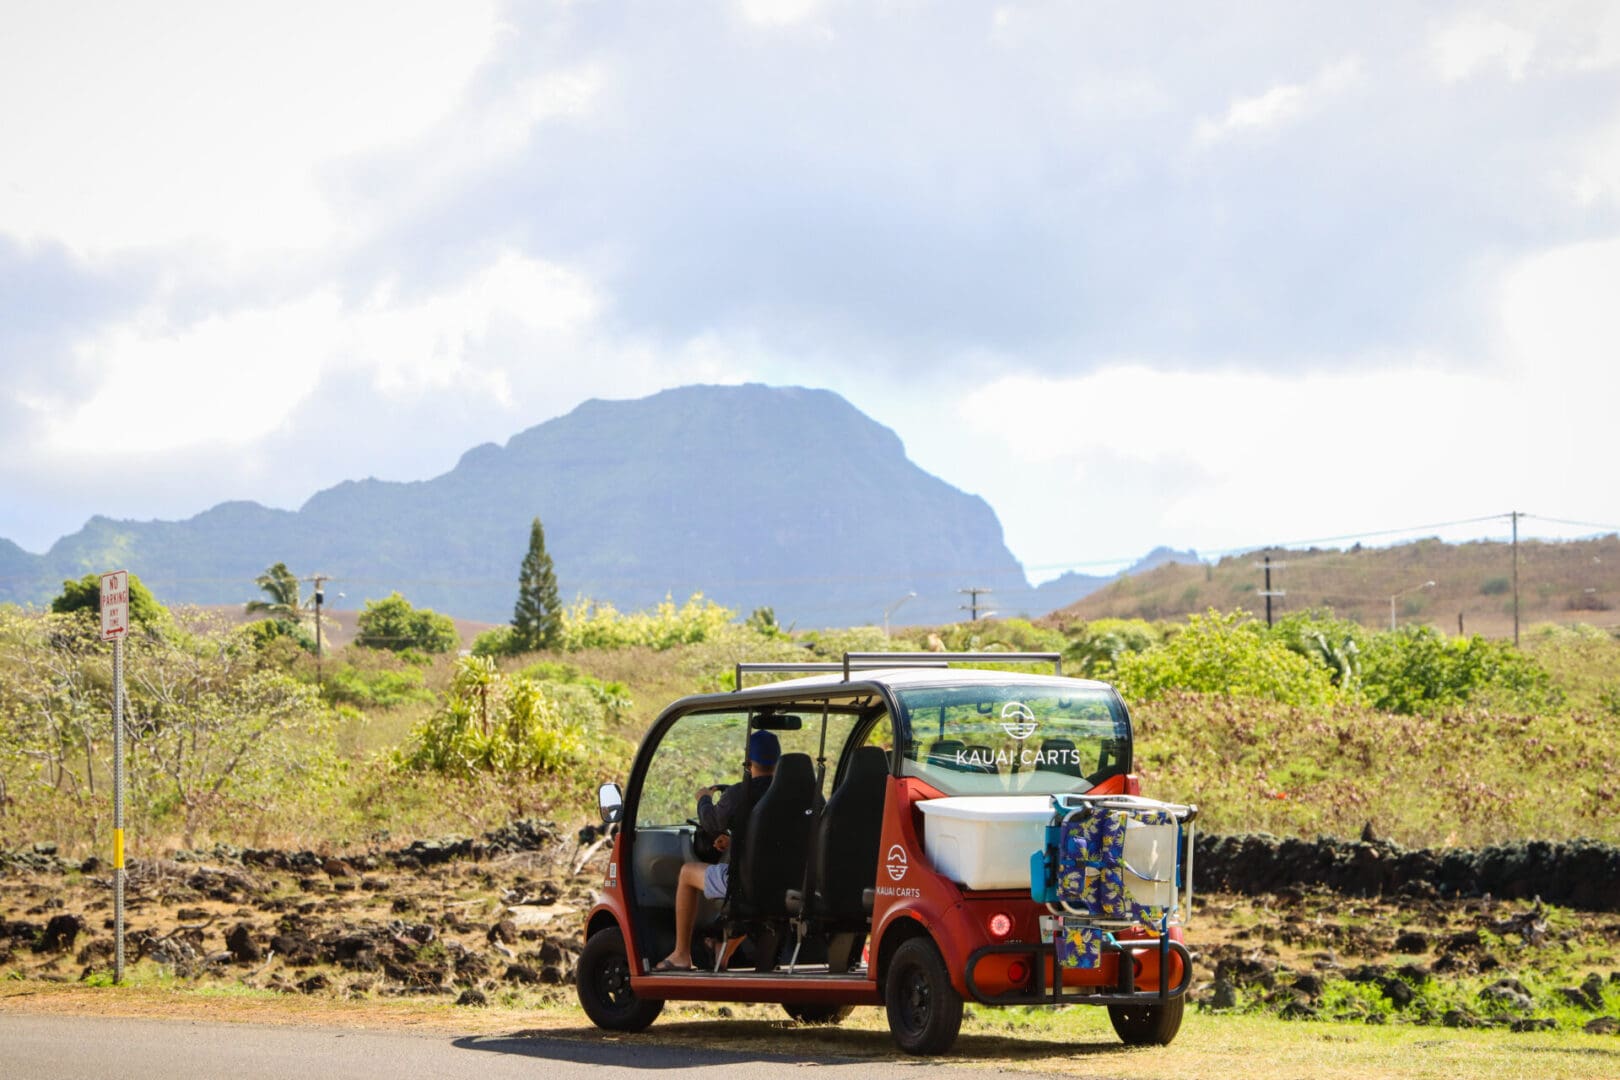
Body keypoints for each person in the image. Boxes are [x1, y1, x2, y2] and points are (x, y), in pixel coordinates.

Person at [655, 729, 780, 971]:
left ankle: (681, 954)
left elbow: (711, 823)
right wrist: (735, 843)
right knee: (758, 903)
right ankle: (722, 952)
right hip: (788, 884)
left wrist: (703, 798)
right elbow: (774, 840)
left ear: (748, 762)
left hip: (748, 884)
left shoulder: (739, 794)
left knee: (687, 873)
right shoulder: (788, 793)